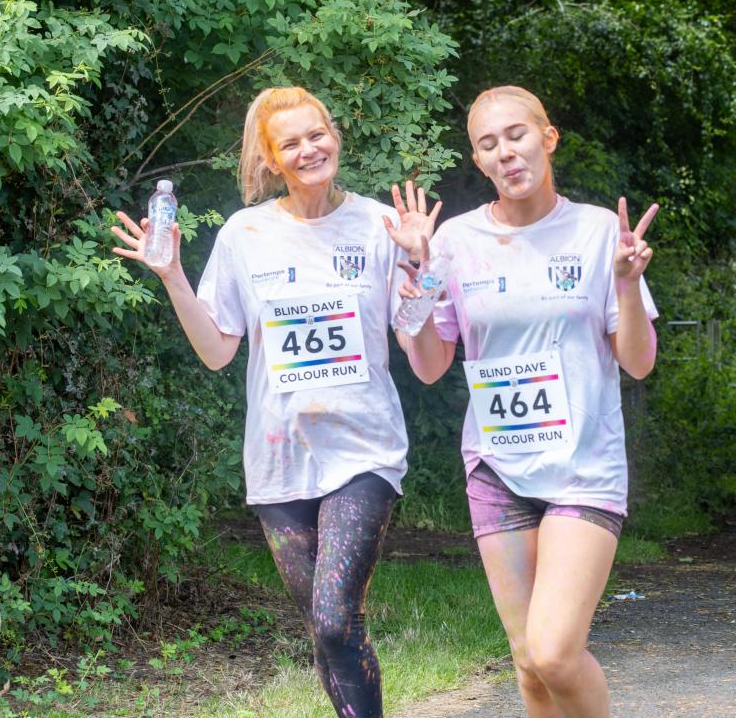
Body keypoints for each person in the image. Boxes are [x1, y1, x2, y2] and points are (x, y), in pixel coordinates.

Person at [111, 86, 440, 718]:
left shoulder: (382, 226)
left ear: (335, 136)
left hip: (363, 451)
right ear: (270, 159)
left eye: (317, 134)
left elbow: (422, 357)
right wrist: (173, 275)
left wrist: (420, 268)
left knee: (336, 620)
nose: (309, 149)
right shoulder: (246, 233)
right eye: (291, 142)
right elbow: (216, 350)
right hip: (278, 461)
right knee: (328, 630)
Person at [394, 85, 658, 718]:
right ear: (479, 161)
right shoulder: (453, 242)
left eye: (516, 135)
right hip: (496, 466)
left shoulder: (598, 232)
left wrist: (627, 284)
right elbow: (429, 366)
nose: (506, 152)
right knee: (527, 665)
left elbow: (639, 361)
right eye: (489, 144)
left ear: (548, 137)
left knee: (554, 652)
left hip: (582, 466)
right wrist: (417, 280)